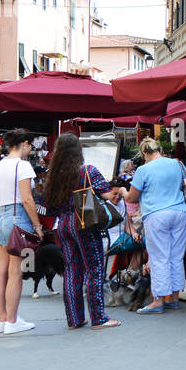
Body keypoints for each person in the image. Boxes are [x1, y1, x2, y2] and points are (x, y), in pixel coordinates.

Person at [42, 133, 123, 330]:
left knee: (71, 271)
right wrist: (118, 190)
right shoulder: (88, 171)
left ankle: (75, 319)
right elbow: (108, 196)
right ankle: (98, 318)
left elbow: (49, 208)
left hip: (63, 225)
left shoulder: (53, 176)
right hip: (84, 224)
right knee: (94, 269)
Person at [121, 137, 186, 314]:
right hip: (179, 213)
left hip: (156, 214)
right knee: (176, 256)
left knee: (159, 257)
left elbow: (132, 197)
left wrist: (123, 191)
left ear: (145, 153)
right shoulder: (177, 164)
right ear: (159, 149)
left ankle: (158, 300)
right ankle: (174, 298)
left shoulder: (143, 170)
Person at [0, 130, 43, 335]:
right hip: (18, 217)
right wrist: (37, 226)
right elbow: (27, 199)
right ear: (25, 144)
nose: (31, 150)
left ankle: (0, 319)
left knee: (1, 271)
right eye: (31, 146)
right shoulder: (23, 166)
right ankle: (12, 320)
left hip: (1, 218)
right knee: (16, 272)